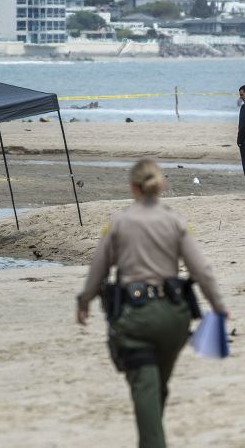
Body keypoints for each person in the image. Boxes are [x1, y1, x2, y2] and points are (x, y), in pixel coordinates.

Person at [76, 159, 227, 448]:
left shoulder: (118, 223)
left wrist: (84, 300)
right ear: (161, 186)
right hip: (174, 318)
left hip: (135, 320)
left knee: (146, 385)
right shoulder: (175, 221)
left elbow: (98, 270)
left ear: (132, 188)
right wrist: (218, 307)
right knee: (157, 386)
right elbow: (201, 271)